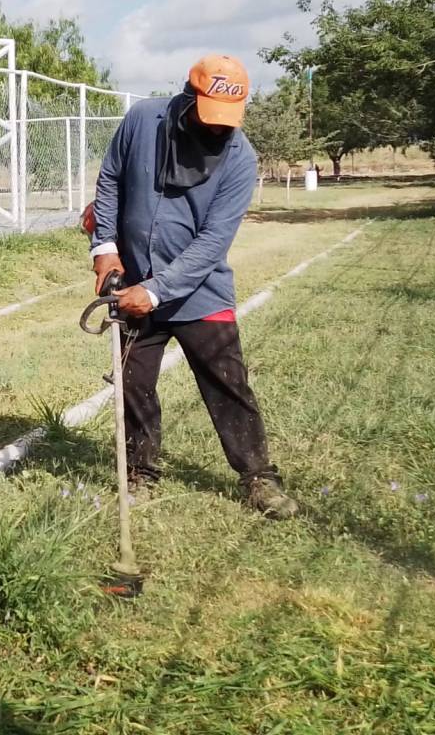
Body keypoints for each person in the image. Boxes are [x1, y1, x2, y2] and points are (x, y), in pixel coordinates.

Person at [89, 54, 299, 520]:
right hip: (134, 284)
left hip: (199, 290)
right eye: (209, 119)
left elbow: (213, 242)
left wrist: (159, 290)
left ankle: (259, 478)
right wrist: (104, 248)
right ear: (188, 98)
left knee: (228, 383)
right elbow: (111, 181)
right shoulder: (143, 119)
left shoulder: (241, 158)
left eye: (228, 122)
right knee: (133, 382)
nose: (218, 131)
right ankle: (140, 471)